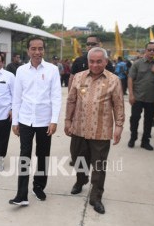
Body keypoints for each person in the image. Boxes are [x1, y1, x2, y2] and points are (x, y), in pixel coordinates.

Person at [65, 47, 124, 214]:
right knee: (78, 159)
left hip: (101, 131)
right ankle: (81, 180)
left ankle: (96, 197)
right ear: (88, 61)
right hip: (78, 128)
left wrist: (118, 127)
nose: (95, 64)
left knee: (99, 166)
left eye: (99, 61)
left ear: (106, 62)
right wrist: (67, 121)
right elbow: (71, 101)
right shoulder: (78, 77)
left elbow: (119, 105)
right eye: (92, 61)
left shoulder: (114, 80)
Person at [9, 37, 62, 205]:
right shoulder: (21, 71)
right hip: (25, 120)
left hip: (44, 121)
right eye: (34, 48)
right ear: (28, 51)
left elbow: (56, 97)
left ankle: (38, 186)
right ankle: (21, 194)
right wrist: (15, 122)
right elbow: (17, 98)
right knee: (25, 156)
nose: (37, 52)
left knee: (42, 155)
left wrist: (54, 120)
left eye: (40, 48)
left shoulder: (53, 70)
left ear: (44, 50)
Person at [68, 35, 114, 166]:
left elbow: (112, 82)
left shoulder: (107, 63)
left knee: (97, 153)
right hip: (80, 108)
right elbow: (72, 79)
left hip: (99, 111)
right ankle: (80, 175)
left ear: (99, 44)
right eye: (88, 44)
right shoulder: (78, 61)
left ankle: (95, 181)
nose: (90, 46)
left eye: (93, 44)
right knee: (78, 148)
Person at [128, 42, 154, 150]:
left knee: (148, 121)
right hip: (137, 97)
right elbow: (130, 79)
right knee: (134, 119)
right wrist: (131, 94)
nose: (152, 52)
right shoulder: (137, 63)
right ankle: (133, 137)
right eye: (149, 50)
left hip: (151, 98)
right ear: (145, 50)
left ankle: (145, 141)